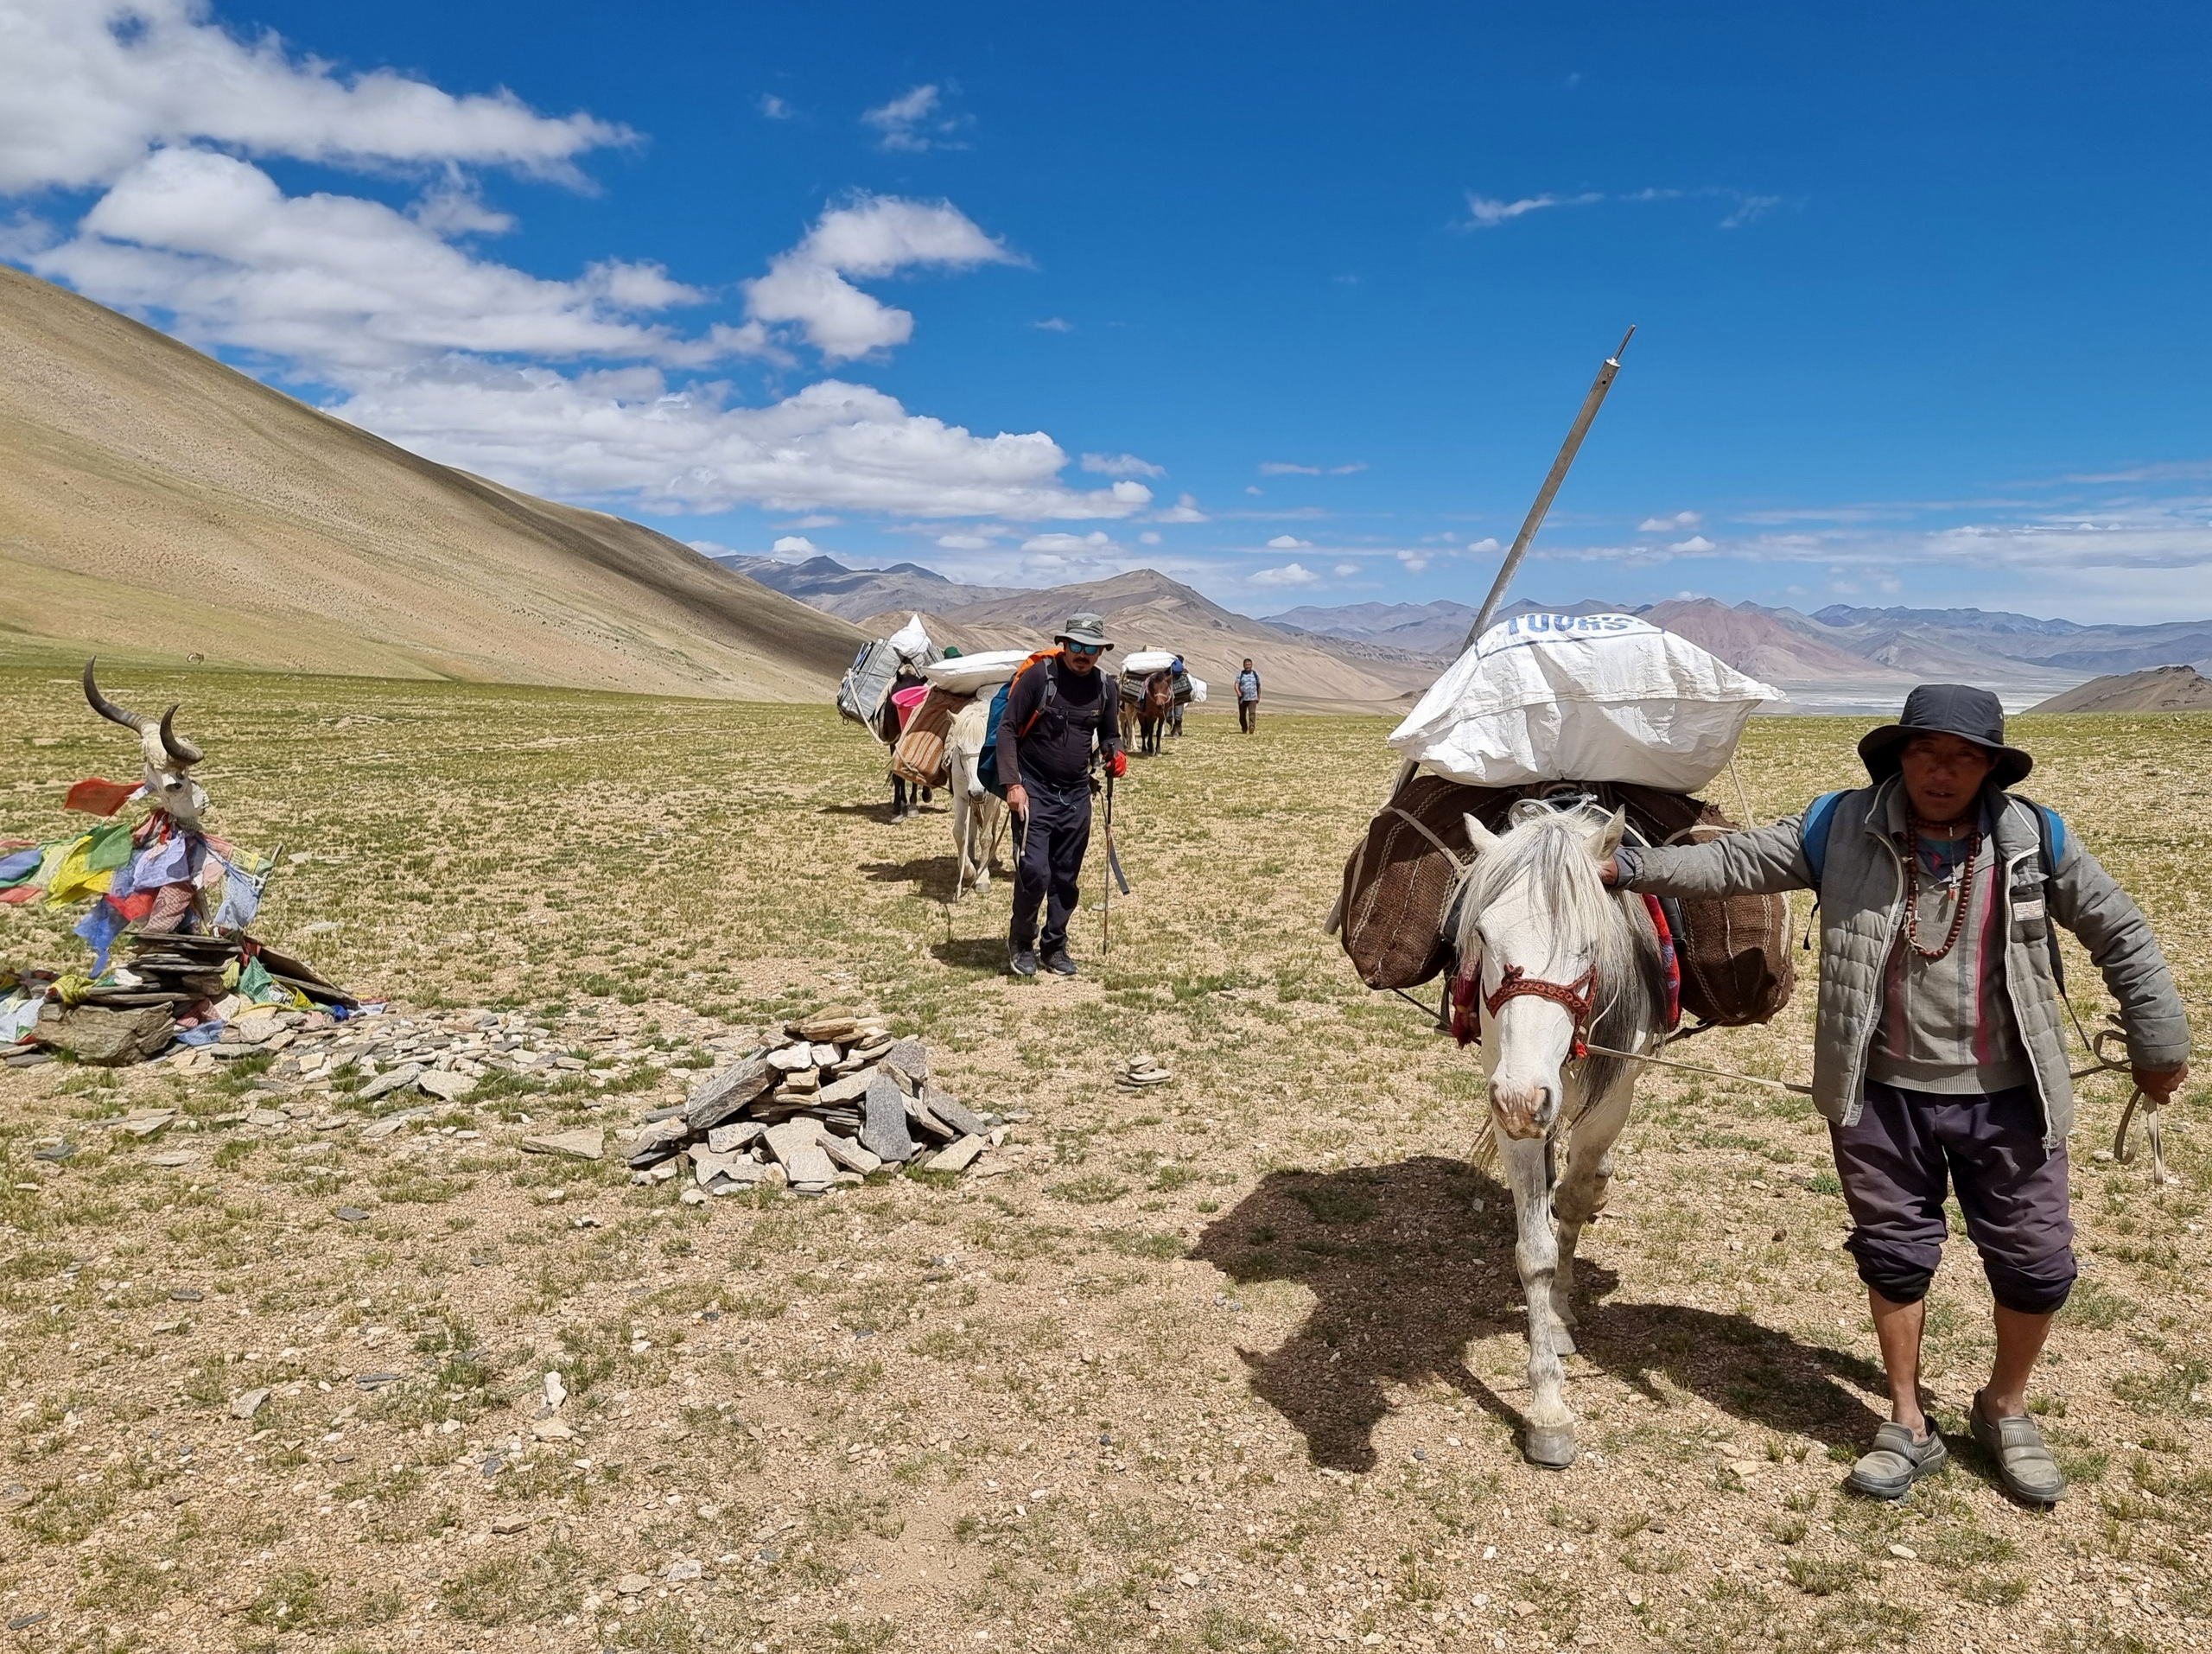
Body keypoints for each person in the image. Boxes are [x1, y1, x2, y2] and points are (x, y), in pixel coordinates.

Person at [1603, 684, 2189, 1505]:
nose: (1943, 772)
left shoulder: (2034, 837)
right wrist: (1626, 868)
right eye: (1927, 753)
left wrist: (2159, 1039)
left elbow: (2119, 930)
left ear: (1990, 767)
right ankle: (1908, 1420)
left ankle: (2003, 1407)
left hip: (2010, 1094)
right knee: (1895, 1254)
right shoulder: (1838, 825)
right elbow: (1734, 863)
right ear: (1900, 756)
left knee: (2037, 1263)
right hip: (1879, 1091)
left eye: (1965, 757)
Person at [998, 612, 1126, 978]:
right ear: (1064, 644)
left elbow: (1111, 733)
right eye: (1077, 646)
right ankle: (1022, 941)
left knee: (1066, 875)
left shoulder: (1105, 687)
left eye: (1091, 648)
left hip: (1076, 792)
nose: (1083, 654)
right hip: (1033, 789)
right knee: (1035, 871)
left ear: (1100, 652)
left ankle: (1055, 946)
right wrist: (1013, 784)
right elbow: (1008, 729)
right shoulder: (1040, 677)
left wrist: (1115, 753)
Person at [1236, 658, 1261, 734]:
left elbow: (1259, 685)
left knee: (1252, 713)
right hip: (1243, 698)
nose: (1248, 666)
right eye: (1246, 665)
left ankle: (1252, 726)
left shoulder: (1255, 674)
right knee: (1242, 715)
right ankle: (1244, 728)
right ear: (1244, 665)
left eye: (1249, 665)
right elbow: (1236, 684)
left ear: (1252, 665)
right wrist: (1238, 692)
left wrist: (1258, 696)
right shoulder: (1241, 674)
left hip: (1253, 697)